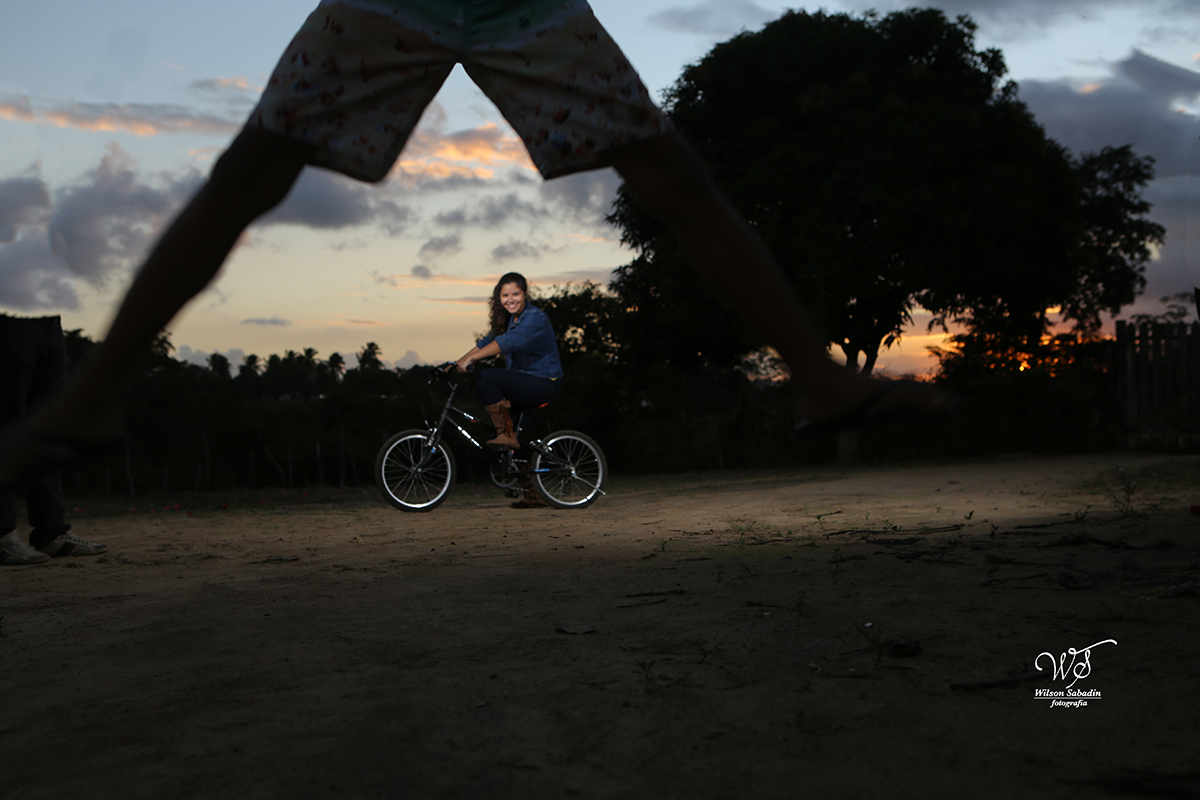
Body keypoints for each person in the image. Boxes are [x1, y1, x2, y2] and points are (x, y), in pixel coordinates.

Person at [0, 0, 954, 490]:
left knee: (674, 174)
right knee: (251, 171)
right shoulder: (511, 315)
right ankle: (91, 394)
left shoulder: (526, 315)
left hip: (516, 3)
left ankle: (818, 376)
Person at [0, 314, 107, 565]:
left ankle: (51, 533)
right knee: (6, 426)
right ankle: (2, 536)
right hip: (8, 318)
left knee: (47, 426)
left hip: (48, 322)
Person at [454, 273, 562, 508]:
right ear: (498, 298)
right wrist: (455, 364)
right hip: (524, 381)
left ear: (525, 294)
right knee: (512, 446)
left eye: (515, 294)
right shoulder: (509, 321)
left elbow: (508, 343)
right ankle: (532, 495)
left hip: (544, 381)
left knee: (485, 377)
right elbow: (486, 343)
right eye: (505, 295)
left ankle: (507, 434)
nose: (510, 299)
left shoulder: (535, 318)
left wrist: (471, 361)